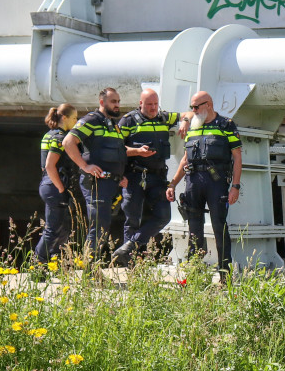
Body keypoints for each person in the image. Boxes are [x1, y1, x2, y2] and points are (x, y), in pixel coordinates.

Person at [166, 91, 242, 276]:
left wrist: (235, 186)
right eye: (192, 106)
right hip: (193, 183)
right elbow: (185, 159)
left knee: (219, 227)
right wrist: (173, 184)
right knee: (194, 231)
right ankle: (195, 275)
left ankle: (225, 275)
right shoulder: (193, 126)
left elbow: (237, 157)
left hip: (216, 184)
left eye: (196, 106)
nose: (193, 110)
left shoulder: (226, 125)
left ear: (209, 104)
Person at [113, 89, 180, 266]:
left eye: (155, 104)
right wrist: (137, 152)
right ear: (140, 104)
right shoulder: (128, 120)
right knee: (132, 219)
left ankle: (129, 246)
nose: (153, 108)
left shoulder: (164, 118)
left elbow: (188, 114)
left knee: (164, 216)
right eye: (149, 104)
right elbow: (116, 148)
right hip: (134, 176)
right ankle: (129, 263)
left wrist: (186, 121)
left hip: (158, 178)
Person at [63, 88, 128, 259]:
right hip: (96, 183)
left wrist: (120, 176)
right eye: (113, 101)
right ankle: (89, 271)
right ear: (102, 102)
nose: (117, 105)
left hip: (111, 183)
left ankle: (93, 268)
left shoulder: (114, 124)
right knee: (98, 226)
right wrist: (85, 166)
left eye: (118, 101)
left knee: (103, 226)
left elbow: (115, 153)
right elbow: (68, 142)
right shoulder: (91, 120)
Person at [34, 103, 77, 264]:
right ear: (64, 118)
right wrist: (60, 187)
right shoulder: (60, 137)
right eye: (74, 118)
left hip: (48, 184)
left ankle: (53, 261)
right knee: (53, 230)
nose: (76, 122)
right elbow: (49, 165)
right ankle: (38, 263)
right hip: (54, 185)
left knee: (62, 229)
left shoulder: (49, 135)